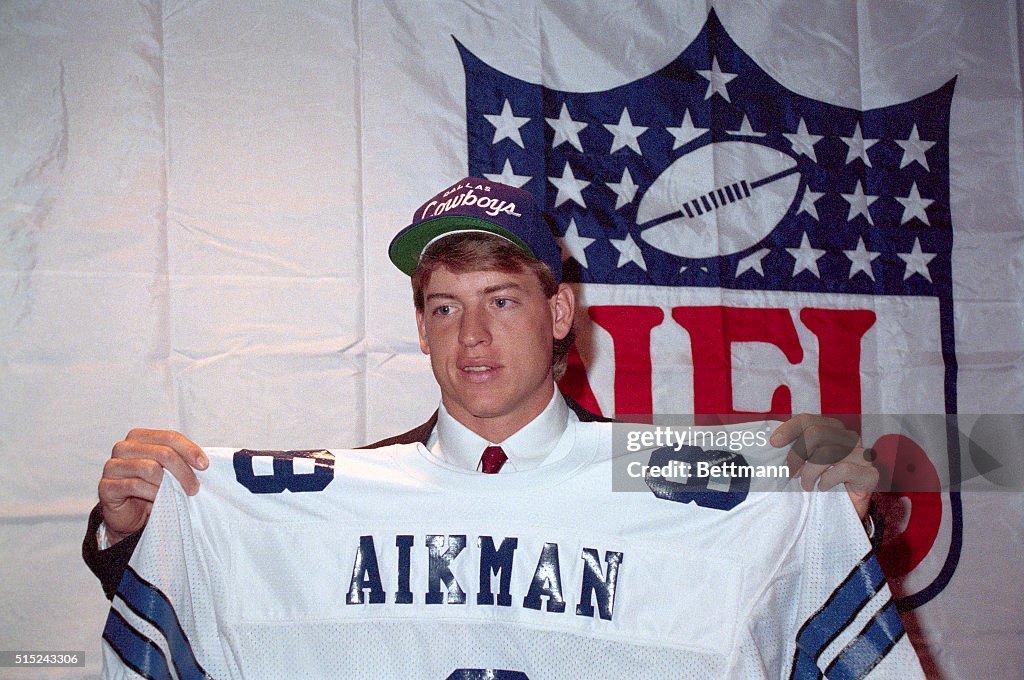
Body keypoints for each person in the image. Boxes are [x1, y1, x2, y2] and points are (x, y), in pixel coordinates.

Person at [84, 177, 882, 599]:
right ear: (422, 328)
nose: (471, 337)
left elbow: (791, 595)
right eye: (444, 308)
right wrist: (136, 532)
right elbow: (222, 603)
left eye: (501, 300)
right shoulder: (348, 488)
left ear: (560, 311)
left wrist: (836, 513)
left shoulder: (663, 476)